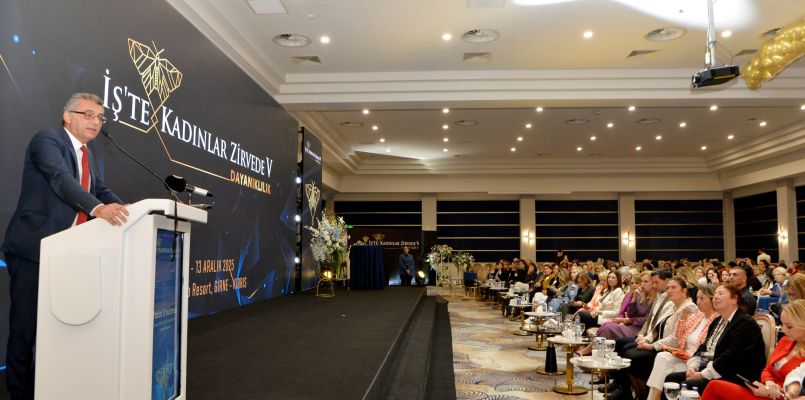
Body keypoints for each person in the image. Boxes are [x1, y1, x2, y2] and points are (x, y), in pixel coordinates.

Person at [1, 92, 129, 399]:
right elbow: (60, 180)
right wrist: (98, 209)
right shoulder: (47, 141)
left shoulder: (88, 156)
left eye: (100, 117)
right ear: (67, 116)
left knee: (60, 329)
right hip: (34, 250)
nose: (95, 122)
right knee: (25, 330)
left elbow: (101, 190)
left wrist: (131, 213)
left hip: (67, 255)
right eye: (88, 114)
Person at [663, 283, 766, 391]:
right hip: (714, 370)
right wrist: (693, 367)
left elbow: (730, 358)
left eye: (720, 293)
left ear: (734, 299)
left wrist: (702, 374)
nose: (715, 297)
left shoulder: (745, 324)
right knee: (671, 378)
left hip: (735, 376)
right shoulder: (717, 321)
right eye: (715, 294)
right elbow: (704, 349)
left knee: (687, 385)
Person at [701, 299, 805, 400]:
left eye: (789, 326)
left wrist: (772, 392)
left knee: (714, 387)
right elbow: (767, 369)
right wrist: (769, 383)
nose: (783, 329)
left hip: (777, 396)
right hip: (765, 389)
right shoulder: (785, 341)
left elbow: (795, 394)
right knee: (714, 386)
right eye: (782, 324)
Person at [646, 284, 719, 400]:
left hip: (697, 362)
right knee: (662, 357)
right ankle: (655, 397)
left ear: (712, 299)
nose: (698, 302)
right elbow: (678, 338)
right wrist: (682, 319)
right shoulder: (697, 316)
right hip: (683, 355)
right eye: (697, 298)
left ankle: (654, 398)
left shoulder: (717, 320)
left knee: (665, 370)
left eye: (702, 298)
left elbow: (708, 350)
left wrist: (694, 365)